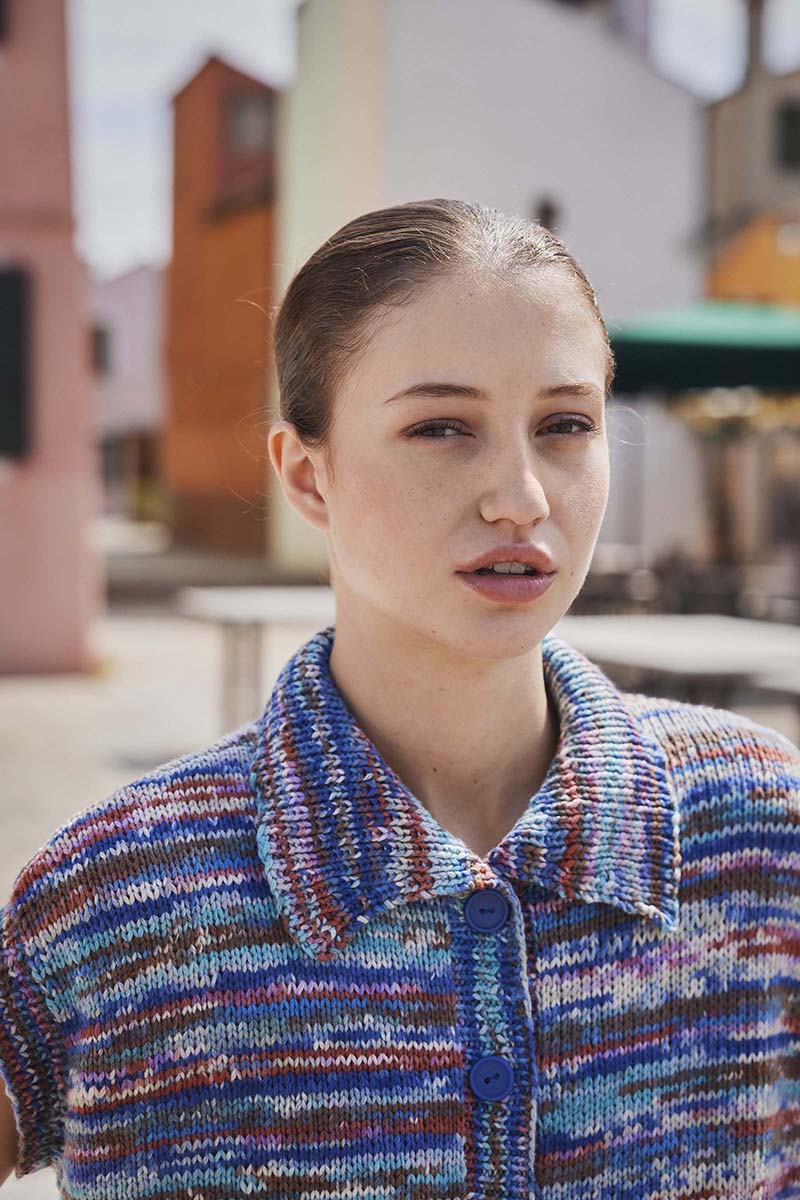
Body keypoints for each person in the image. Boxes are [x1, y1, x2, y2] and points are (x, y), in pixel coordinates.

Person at [1, 197, 799, 1198]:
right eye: (440, 428)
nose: (522, 497)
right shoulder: (119, 892)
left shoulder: (759, 824)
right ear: (307, 476)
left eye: (565, 424)